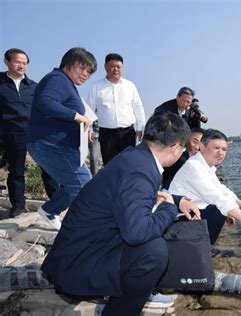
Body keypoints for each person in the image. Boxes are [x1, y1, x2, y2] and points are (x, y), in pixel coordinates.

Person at [41, 113, 200, 316]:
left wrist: (177, 201)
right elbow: (137, 233)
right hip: (77, 267)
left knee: (155, 236)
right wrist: (168, 209)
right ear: (175, 146)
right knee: (154, 252)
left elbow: (138, 198)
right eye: (184, 147)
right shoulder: (140, 171)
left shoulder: (137, 158)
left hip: (82, 252)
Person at [27, 47, 97, 230]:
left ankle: (50, 211)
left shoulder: (66, 83)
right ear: (68, 63)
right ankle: (81, 229)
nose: (85, 74)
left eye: (89, 72)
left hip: (57, 144)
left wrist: (82, 128)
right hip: (50, 143)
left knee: (74, 182)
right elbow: (46, 102)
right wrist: (77, 116)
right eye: (82, 68)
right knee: (82, 186)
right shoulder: (57, 79)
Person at [169, 129, 241, 244]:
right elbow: (218, 198)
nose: (221, 153)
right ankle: (202, 248)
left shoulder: (205, 165)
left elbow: (221, 190)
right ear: (202, 147)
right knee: (219, 209)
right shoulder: (194, 167)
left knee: (221, 210)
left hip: (192, 213)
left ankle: (205, 247)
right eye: (216, 148)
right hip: (178, 220)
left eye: (224, 149)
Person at [0, 48, 58, 218]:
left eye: (25, 63)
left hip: (35, 132)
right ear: (7, 62)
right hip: (11, 133)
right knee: (16, 171)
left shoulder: (34, 86)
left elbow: (45, 108)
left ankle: (56, 202)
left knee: (48, 168)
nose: (21, 66)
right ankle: (18, 206)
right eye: (18, 62)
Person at [87, 53, 146, 165]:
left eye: (119, 67)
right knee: (110, 166)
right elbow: (89, 110)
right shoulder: (96, 87)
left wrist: (140, 126)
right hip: (107, 135)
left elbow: (138, 107)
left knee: (128, 165)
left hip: (128, 133)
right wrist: (89, 130)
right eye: (112, 66)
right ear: (105, 67)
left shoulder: (130, 86)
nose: (116, 69)